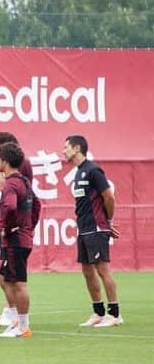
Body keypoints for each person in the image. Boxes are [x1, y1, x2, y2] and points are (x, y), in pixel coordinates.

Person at [63, 135, 121, 327]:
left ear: (77, 148)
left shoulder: (93, 170)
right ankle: (98, 312)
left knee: (102, 270)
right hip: (84, 228)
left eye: (66, 148)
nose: (63, 151)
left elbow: (109, 197)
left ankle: (114, 314)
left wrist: (108, 221)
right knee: (87, 271)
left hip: (96, 228)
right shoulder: (78, 172)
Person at [0, 132, 35, 328]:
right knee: (6, 278)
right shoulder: (21, 181)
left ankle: (21, 323)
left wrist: (7, 228)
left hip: (15, 236)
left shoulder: (13, 180)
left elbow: (9, 206)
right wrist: (28, 226)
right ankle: (15, 318)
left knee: (16, 282)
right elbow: (37, 204)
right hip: (19, 234)